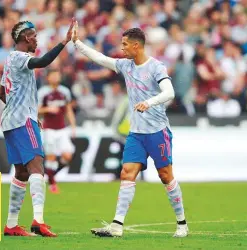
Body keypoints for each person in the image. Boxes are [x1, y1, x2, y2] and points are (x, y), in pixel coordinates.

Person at [72, 21, 188, 237]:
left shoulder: (156, 67)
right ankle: (117, 225)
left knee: (165, 176)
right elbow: (101, 59)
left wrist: (149, 103)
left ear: (137, 46)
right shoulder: (126, 65)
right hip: (136, 134)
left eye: (125, 44)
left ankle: (182, 223)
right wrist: (77, 42)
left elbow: (169, 93)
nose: (122, 48)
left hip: (157, 131)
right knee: (127, 173)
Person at [0, 19, 75, 237]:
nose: (36, 41)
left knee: (21, 172)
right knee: (37, 166)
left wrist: (23, 108)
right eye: (34, 37)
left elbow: (2, 94)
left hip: (10, 122)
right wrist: (63, 42)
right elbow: (42, 62)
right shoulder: (21, 58)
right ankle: (38, 220)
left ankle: (11, 224)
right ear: (25, 38)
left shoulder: (9, 61)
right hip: (23, 121)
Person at [38, 69, 76, 194]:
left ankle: (50, 175)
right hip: (48, 129)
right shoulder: (43, 92)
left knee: (68, 155)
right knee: (51, 157)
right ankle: (53, 184)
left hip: (62, 129)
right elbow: (35, 110)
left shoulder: (64, 91)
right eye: (53, 75)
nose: (56, 77)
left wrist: (73, 125)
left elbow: (68, 109)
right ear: (48, 77)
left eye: (57, 75)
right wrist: (47, 109)